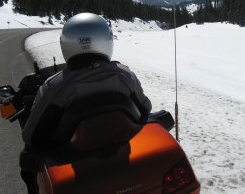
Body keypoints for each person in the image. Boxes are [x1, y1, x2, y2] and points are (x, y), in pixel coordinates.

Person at [20, 13, 152, 192]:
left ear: (66, 44)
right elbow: (145, 109)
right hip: (122, 157)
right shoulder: (124, 75)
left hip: (77, 169)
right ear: (106, 41)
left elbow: (31, 136)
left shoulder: (54, 87)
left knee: (27, 161)